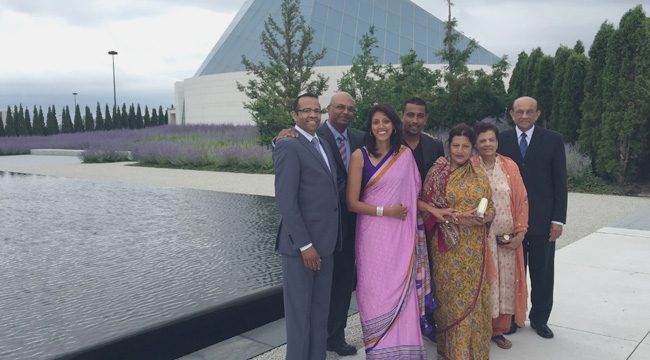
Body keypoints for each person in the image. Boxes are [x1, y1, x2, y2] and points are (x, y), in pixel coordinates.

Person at [276, 92, 363, 356]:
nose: (312, 115)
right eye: (306, 111)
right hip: (303, 247)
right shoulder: (287, 145)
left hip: (327, 245)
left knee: (318, 313)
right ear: (294, 116)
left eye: (315, 110)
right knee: (299, 317)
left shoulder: (323, 145)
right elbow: (287, 202)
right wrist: (305, 245)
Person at [346, 103, 431, 359]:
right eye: (375, 122)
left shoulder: (404, 155)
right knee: (373, 290)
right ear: (370, 127)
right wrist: (386, 211)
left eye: (386, 121)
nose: (381, 126)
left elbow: (412, 195)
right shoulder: (359, 156)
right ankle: (378, 351)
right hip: (372, 235)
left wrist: (436, 212)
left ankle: (405, 350)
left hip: (401, 235)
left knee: (401, 283)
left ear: (394, 124)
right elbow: (352, 203)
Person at [420, 124, 495, 360]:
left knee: (473, 299)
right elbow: (424, 206)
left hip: (473, 248)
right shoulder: (437, 172)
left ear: (472, 148)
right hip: (445, 248)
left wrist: (484, 216)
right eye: (455, 145)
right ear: (449, 146)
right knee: (449, 300)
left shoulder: (479, 174)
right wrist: (455, 216)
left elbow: (490, 207)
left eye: (465, 146)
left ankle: (472, 352)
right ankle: (452, 351)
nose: (460, 150)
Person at [497, 96, 568, 339]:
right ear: (511, 114)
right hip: (510, 221)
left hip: (542, 220)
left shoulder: (553, 139)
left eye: (529, 112)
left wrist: (558, 219)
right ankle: (514, 318)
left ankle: (539, 319)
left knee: (543, 271)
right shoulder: (501, 140)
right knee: (513, 272)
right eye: (519, 112)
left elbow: (560, 181)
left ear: (538, 114)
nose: (524, 116)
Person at [471, 122, 529, 349]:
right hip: (479, 237)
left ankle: (498, 330)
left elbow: (522, 198)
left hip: (505, 238)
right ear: (476, 143)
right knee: (483, 282)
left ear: (497, 141)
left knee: (504, 283)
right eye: (482, 140)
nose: (487, 144)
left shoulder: (509, 165)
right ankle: (479, 329)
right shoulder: (470, 165)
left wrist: (521, 233)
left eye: (491, 140)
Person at [400, 96, 445, 343]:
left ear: (425, 118)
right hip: (397, 220)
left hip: (427, 222)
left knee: (429, 272)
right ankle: (404, 323)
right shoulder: (388, 142)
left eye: (420, 116)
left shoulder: (434, 146)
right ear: (402, 116)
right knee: (402, 274)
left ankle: (428, 320)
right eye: (410, 115)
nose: (415, 120)